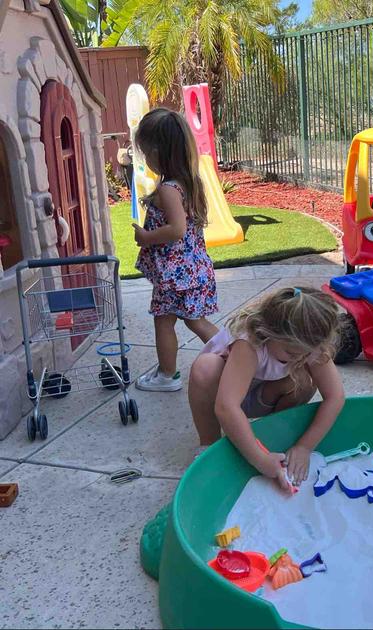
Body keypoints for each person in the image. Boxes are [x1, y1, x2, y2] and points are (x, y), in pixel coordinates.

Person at [188, 286, 345, 492]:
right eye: (291, 352)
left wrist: (305, 446)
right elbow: (227, 407)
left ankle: (273, 433)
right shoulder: (250, 341)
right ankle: (209, 446)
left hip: (262, 396)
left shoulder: (309, 343)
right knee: (205, 368)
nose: (300, 357)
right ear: (269, 333)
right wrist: (260, 460)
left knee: (304, 380)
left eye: (305, 354)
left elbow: (335, 397)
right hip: (224, 392)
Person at [131, 108, 219, 392]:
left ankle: (167, 375)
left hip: (175, 274)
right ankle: (234, 359)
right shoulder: (187, 181)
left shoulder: (169, 189)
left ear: (159, 151)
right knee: (196, 321)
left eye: (145, 152)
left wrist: (146, 237)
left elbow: (177, 230)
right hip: (190, 269)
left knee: (167, 323)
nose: (145, 158)